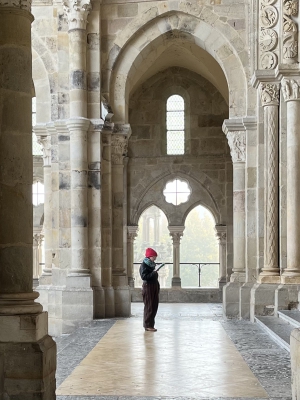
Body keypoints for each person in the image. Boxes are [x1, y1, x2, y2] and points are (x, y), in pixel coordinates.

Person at [139, 247, 160, 332]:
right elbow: (144, 277)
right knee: (149, 306)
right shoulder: (144, 265)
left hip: (154, 285)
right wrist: (153, 273)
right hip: (148, 287)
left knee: (154, 306)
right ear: (150, 256)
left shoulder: (151, 264)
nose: (155, 258)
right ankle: (147, 325)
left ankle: (151, 324)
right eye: (154, 256)